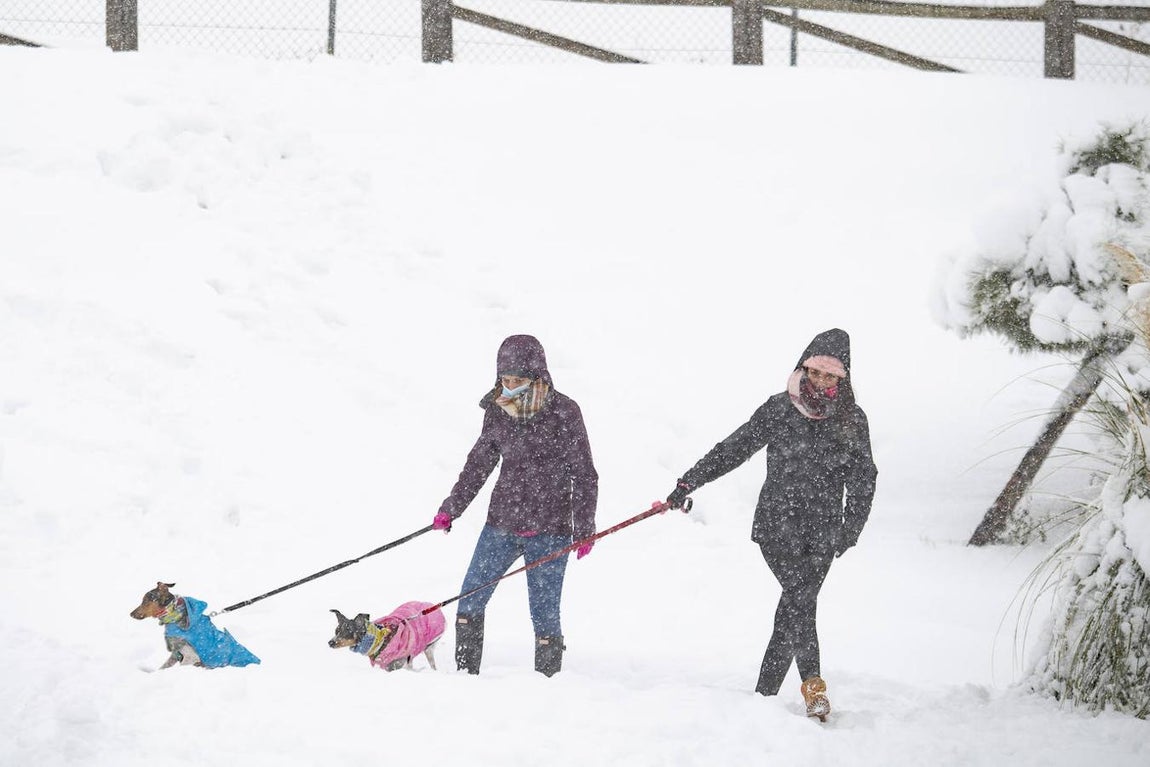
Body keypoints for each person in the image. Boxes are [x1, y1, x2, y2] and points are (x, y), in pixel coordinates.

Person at [665, 329, 877, 719]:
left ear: (843, 378)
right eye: (816, 372)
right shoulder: (780, 408)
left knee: (793, 609)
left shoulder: (851, 419)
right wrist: (689, 481)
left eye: (830, 375)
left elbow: (864, 478)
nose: (821, 381)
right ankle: (813, 688)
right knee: (800, 599)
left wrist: (851, 529)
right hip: (777, 527)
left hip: (824, 532)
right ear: (804, 368)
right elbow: (735, 447)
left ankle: (764, 698)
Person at [433, 334, 598, 677]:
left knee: (545, 615)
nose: (509, 387)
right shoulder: (498, 410)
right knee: (469, 602)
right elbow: (479, 463)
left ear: (537, 376)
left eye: (517, 380)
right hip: (502, 525)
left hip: (550, 530)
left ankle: (547, 685)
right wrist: (452, 507)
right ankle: (464, 680)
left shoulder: (564, 412)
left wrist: (584, 528)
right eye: (504, 379)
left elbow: (584, 473)